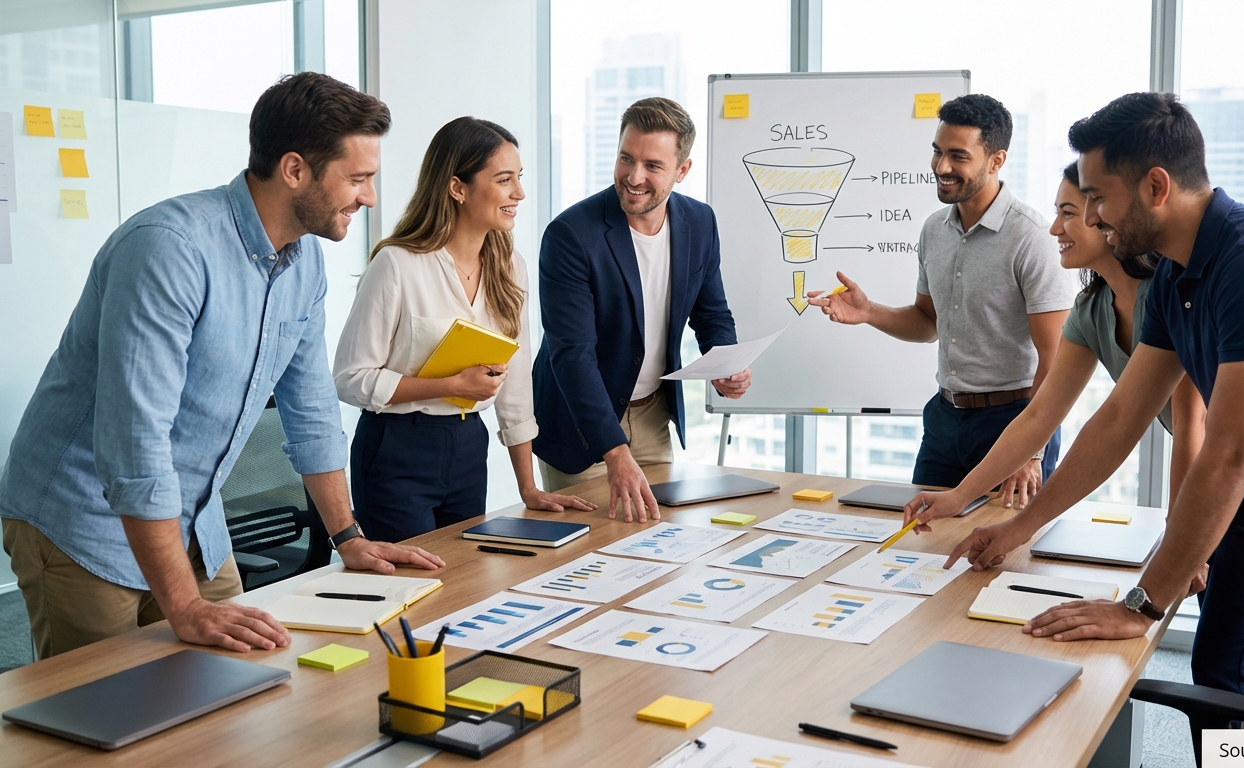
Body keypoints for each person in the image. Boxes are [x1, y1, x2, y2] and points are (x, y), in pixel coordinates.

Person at [948, 91, 1244, 732]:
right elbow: (1119, 420)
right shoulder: (1179, 275)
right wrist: (1017, 528)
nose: (1090, 214)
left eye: (1097, 197)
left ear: (1154, 186)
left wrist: (1144, 605)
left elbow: (1230, 450)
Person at [0, 73, 444, 660]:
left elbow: (310, 410)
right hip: (84, 520)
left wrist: (349, 537)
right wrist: (183, 606)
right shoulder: (169, 249)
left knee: (242, 681)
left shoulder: (304, 261)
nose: (369, 198)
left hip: (195, 517)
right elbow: (136, 442)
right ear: (294, 169)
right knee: (111, 720)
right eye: (358, 179)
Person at [910, 163, 1244, 741]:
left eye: (1072, 212)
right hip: (1215, 486)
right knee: (1218, 668)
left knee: (1221, 671)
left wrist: (1183, 539)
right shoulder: (1092, 309)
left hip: (1239, 491)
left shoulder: (1165, 295)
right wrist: (962, 497)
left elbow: (1195, 426)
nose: (1056, 228)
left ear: (1109, 220)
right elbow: (1042, 414)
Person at [334, 117, 595, 543]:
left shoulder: (512, 269)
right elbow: (350, 379)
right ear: (458, 187)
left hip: (469, 448)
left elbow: (515, 386)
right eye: (504, 180)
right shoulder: (398, 265)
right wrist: (449, 384)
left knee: (462, 585)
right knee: (412, 587)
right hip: (396, 450)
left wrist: (528, 487)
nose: (519, 194)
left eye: (520, 179)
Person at [809, 94, 1077, 500]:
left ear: (996, 160)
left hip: (1012, 422)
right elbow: (927, 323)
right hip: (944, 419)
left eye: (958, 156)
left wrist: (1030, 451)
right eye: (937, 152)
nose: (941, 167)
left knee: (999, 554)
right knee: (919, 541)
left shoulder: (1032, 238)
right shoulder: (935, 229)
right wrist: (869, 313)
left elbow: (1055, 360)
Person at [532, 97, 750, 523]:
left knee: (655, 543)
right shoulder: (570, 235)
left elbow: (712, 314)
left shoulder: (700, 222)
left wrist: (728, 363)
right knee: (590, 553)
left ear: (682, 170)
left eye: (653, 165)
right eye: (626, 159)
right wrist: (614, 453)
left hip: (652, 414)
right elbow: (572, 355)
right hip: (581, 424)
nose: (634, 177)